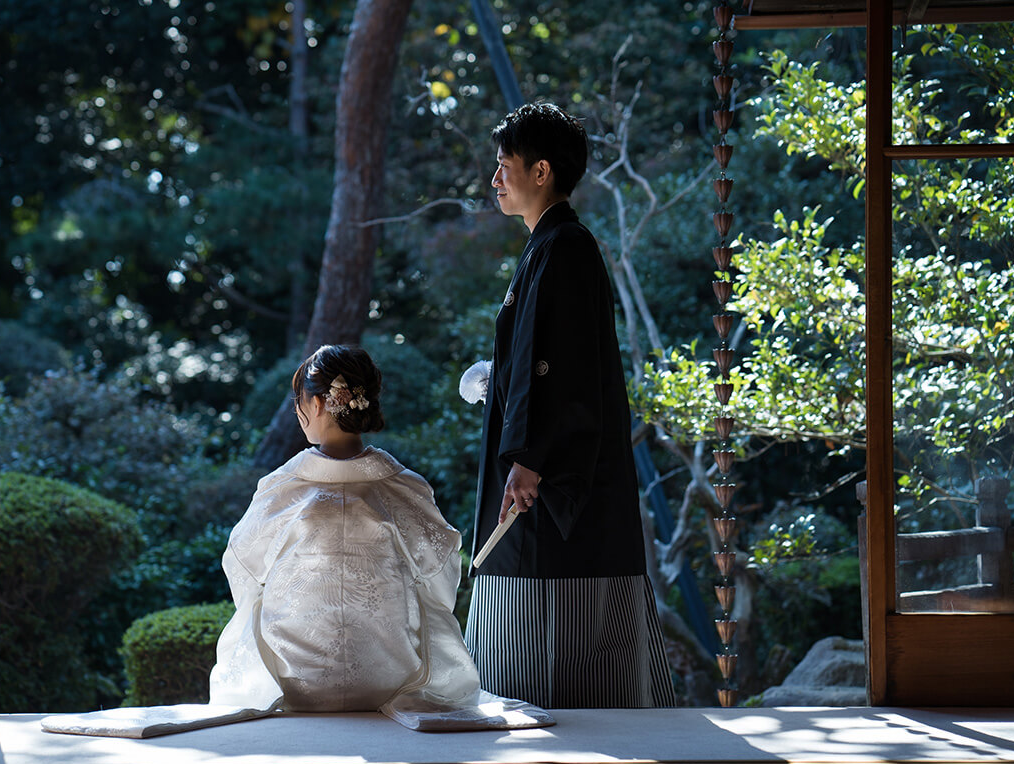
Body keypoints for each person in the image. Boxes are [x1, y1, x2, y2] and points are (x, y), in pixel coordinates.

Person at [209, 344, 553, 731]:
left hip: (296, 681)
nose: (298, 410)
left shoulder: (281, 489)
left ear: (320, 404)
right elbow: (440, 572)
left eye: (300, 401)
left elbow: (241, 564)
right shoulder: (403, 488)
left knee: (258, 601)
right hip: (390, 678)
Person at [463, 102, 676, 708]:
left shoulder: (566, 246)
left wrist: (529, 458)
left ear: (541, 172)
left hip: (551, 474)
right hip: (544, 463)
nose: (495, 179)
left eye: (504, 166)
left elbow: (562, 366)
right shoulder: (550, 246)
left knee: (553, 632)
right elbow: (536, 358)